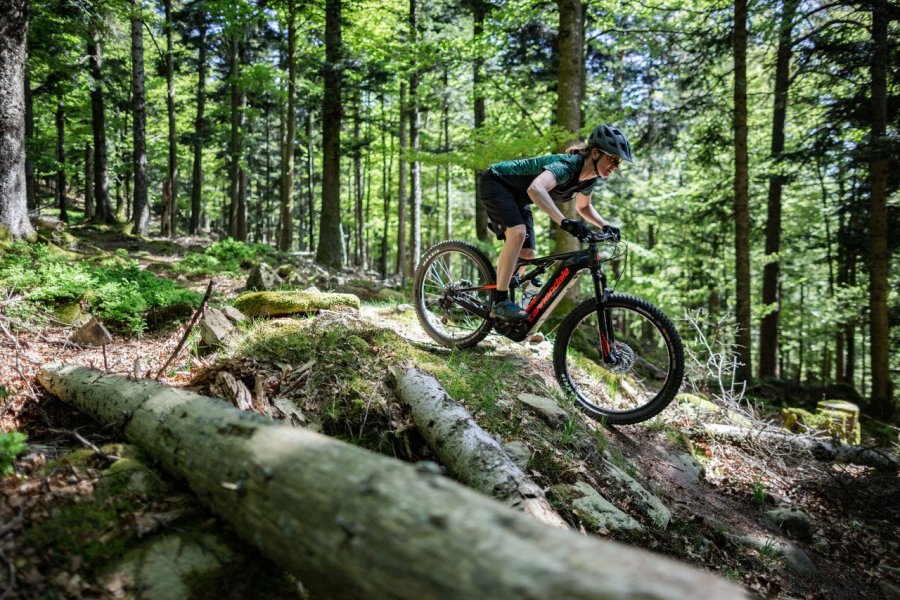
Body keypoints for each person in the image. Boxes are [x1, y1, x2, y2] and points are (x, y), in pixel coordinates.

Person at [478, 124, 633, 321]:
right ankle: (500, 301)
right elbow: (536, 188)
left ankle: (506, 305)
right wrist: (564, 221)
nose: (615, 165)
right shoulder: (567, 165)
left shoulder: (589, 179)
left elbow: (583, 207)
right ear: (595, 153)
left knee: (527, 253)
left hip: (519, 197)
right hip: (496, 182)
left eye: (618, 162)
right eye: (612, 158)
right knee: (517, 233)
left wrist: (604, 225)